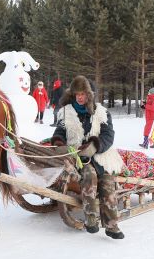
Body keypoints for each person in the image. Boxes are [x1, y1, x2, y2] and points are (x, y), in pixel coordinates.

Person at [51, 76, 124, 239]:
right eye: (77, 94)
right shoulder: (66, 112)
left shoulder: (102, 113)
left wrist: (95, 146)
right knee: (89, 175)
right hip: (76, 155)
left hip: (100, 155)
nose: (80, 97)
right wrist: (59, 142)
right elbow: (59, 132)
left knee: (107, 181)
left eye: (83, 94)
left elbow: (108, 135)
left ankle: (112, 226)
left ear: (89, 95)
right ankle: (91, 219)